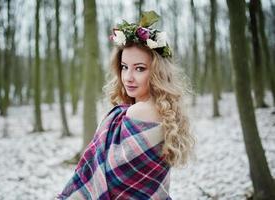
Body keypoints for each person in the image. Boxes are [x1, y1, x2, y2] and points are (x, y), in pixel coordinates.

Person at [57, 10, 195, 200]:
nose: (128, 77)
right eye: (124, 67)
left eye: (139, 68)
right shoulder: (166, 111)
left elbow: (113, 177)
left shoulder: (139, 111)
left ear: (157, 72)